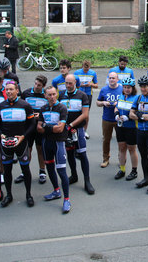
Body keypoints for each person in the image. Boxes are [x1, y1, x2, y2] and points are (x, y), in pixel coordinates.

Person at [0, 81, 36, 208]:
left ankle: (29, 195)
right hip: (6, 143)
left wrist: (23, 136)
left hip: (21, 143)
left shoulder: (25, 105)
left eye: (11, 89)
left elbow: (32, 124)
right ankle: (8, 195)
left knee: (25, 169)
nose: (9, 92)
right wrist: (1, 134)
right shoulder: (0, 106)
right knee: (7, 170)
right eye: (7, 90)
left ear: (17, 91)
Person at [59, 74, 95, 195]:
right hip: (65, 130)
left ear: (76, 83)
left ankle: (87, 181)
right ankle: (74, 175)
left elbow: (85, 114)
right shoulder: (61, 95)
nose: (68, 85)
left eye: (71, 83)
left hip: (77, 129)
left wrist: (72, 125)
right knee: (69, 153)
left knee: (82, 154)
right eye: (66, 83)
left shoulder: (82, 95)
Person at [37, 85, 71, 213]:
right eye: (49, 95)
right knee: (49, 167)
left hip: (58, 143)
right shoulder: (43, 108)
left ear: (56, 94)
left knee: (61, 171)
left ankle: (67, 199)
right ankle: (56, 191)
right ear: (45, 96)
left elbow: (60, 129)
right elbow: (38, 128)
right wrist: (51, 127)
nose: (51, 97)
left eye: (53, 94)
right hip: (46, 142)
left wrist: (46, 126)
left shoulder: (62, 107)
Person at [130, 76, 148, 194]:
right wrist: (142, 116)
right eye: (141, 86)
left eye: (145, 86)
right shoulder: (137, 98)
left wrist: (139, 115)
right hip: (139, 131)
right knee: (143, 156)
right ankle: (146, 178)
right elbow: (130, 114)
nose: (142, 88)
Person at [16, 75, 48, 185]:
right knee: (27, 149)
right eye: (35, 84)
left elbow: (49, 110)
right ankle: (24, 172)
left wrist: (40, 116)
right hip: (28, 126)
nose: (36, 86)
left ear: (43, 86)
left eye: (39, 85)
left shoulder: (46, 95)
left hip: (39, 126)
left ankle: (42, 171)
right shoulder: (26, 93)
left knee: (40, 149)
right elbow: (20, 107)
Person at [113, 77, 139, 180]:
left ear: (133, 88)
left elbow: (137, 112)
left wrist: (128, 117)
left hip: (131, 127)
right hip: (120, 126)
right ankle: (122, 169)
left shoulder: (136, 98)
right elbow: (116, 107)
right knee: (122, 147)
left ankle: (134, 171)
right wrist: (116, 114)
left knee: (131, 149)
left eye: (128, 87)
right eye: (124, 87)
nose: (126, 89)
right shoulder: (121, 96)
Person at [96, 72, 123, 168]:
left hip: (119, 118)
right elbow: (97, 102)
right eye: (110, 78)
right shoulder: (104, 90)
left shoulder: (122, 89)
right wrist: (103, 102)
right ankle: (105, 158)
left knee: (121, 140)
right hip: (107, 118)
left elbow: (128, 101)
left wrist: (118, 103)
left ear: (117, 79)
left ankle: (121, 159)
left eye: (113, 78)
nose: (111, 80)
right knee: (106, 140)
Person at [74, 60, 98, 139]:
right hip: (78, 94)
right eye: (85, 68)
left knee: (86, 113)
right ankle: (75, 130)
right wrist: (79, 85)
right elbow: (73, 84)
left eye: (87, 69)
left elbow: (96, 85)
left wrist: (90, 84)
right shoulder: (77, 72)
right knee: (77, 112)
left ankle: (84, 131)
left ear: (90, 67)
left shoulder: (93, 73)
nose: (86, 70)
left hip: (88, 95)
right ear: (82, 66)